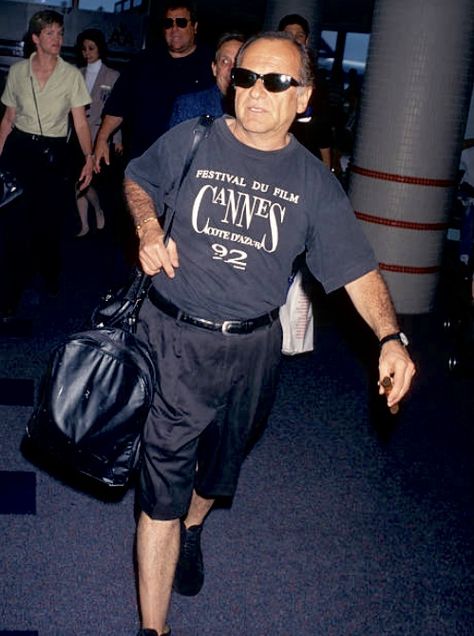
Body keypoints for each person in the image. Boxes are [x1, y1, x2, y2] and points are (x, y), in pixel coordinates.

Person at [124, 32, 416, 636]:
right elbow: (138, 178)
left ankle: (195, 524)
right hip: (174, 336)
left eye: (277, 81)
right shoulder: (196, 137)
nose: (257, 92)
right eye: (247, 78)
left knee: (220, 468)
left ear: (302, 96)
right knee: (162, 487)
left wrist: (391, 338)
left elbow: (357, 269)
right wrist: (149, 228)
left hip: (254, 349)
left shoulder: (313, 183)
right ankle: (154, 627)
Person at [0, 9, 93, 316]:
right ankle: (11, 292)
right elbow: (8, 119)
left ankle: (50, 272)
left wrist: (89, 157)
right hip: (20, 151)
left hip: (54, 156)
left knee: (49, 225)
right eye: (50, 33)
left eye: (60, 33)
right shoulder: (17, 73)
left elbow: (80, 123)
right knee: (16, 226)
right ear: (35, 38)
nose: (58, 39)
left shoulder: (71, 76)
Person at [94, 1, 214, 167]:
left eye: (181, 22)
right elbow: (118, 105)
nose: (174, 29)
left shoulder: (210, 66)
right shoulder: (143, 61)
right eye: (168, 23)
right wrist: (102, 139)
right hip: (142, 160)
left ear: (194, 26)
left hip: (190, 164)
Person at [74, 28, 122, 236]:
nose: (87, 52)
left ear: (100, 48)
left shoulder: (112, 76)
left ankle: (98, 209)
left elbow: (118, 110)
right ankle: (84, 223)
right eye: (84, 49)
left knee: (86, 182)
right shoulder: (77, 74)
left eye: (91, 48)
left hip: (99, 137)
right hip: (76, 137)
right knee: (78, 182)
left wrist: (118, 139)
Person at [278, 13, 332, 169]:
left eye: (299, 36)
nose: (294, 40)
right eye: (288, 35)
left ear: (306, 41)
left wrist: (326, 170)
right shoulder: (266, 72)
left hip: (305, 161)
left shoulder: (315, 80)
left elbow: (323, 129)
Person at [168, 32, 245, 128]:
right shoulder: (188, 107)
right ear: (214, 69)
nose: (231, 69)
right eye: (225, 61)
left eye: (238, 62)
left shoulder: (256, 111)